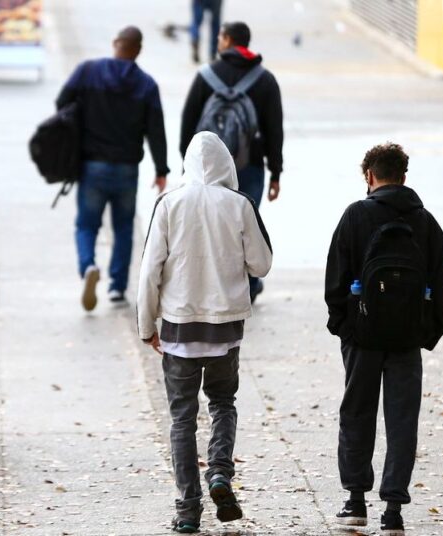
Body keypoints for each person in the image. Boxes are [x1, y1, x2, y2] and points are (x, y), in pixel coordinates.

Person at [137, 132, 273, 534]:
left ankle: (187, 508)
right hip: (224, 330)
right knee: (223, 403)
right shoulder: (239, 204)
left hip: (179, 329)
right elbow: (261, 264)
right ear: (227, 165)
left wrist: (147, 326)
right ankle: (219, 474)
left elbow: (149, 271)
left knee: (182, 418)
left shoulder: (169, 205)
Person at [324, 143, 443, 535]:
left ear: (369, 177)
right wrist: (427, 334)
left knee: (357, 413)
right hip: (407, 338)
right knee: (402, 419)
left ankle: (355, 501)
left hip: (362, 337)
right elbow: (437, 286)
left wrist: (344, 327)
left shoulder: (355, 216)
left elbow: (335, 282)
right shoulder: (426, 223)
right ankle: (393, 509)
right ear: (404, 177)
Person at [56, 26, 169, 311]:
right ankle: (117, 287)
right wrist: (161, 169)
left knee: (86, 224)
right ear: (138, 50)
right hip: (127, 169)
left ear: (115, 43)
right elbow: (156, 130)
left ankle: (89, 266)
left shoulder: (88, 72)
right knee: (123, 228)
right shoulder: (146, 85)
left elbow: (61, 104)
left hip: (92, 165)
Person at [180, 21, 283, 303]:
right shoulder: (265, 80)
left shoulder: (206, 76)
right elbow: (275, 130)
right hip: (248, 166)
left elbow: (188, 122)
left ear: (226, 40)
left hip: (206, 170)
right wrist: (276, 172)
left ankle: (214, 287)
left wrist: (185, 164)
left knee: (209, 227)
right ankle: (248, 287)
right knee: (246, 227)